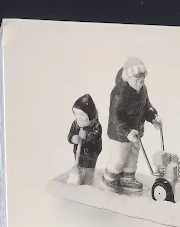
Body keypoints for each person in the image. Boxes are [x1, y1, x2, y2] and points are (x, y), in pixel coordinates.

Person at [102, 57, 161, 196]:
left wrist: (153, 117)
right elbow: (116, 117)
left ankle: (127, 178)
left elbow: (146, 106)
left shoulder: (143, 90)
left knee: (132, 157)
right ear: (127, 78)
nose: (140, 83)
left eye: (142, 80)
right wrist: (127, 132)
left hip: (136, 132)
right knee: (119, 158)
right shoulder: (119, 93)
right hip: (119, 134)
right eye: (137, 80)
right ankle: (109, 178)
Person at [66, 94, 102, 185]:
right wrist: (73, 138)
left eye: (82, 114)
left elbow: (97, 136)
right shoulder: (75, 123)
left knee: (88, 169)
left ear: (89, 114)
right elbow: (70, 135)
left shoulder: (95, 125)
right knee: (79, 165)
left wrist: (86, 135)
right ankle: (77, 178)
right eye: (76, 113)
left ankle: (87, 182)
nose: (79, 117)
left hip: (91, 153)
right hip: (78, 152)